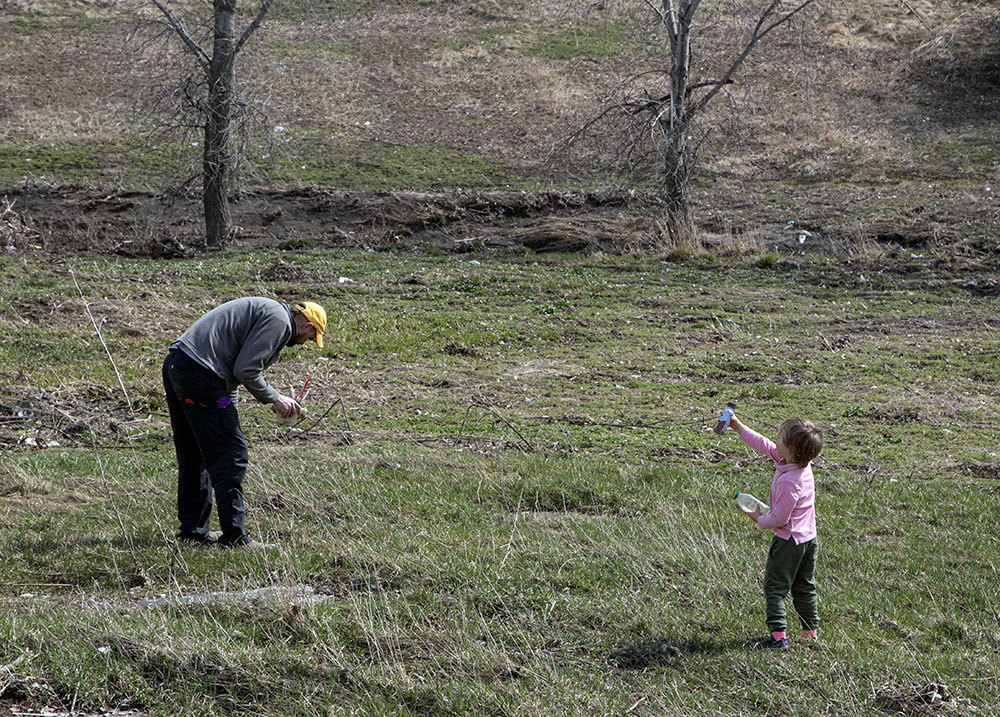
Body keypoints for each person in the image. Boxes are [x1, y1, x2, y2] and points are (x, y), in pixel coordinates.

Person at [162, 297, 327, 548]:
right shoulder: (280, 322)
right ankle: (235, 537)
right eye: (311, 337)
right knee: (232, 454)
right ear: (306, 326)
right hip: (200, 376)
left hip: (179, 364)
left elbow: (230, 375)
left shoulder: (269, 311)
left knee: (194, 453)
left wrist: (230, 415)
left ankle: (193, 533)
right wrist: (276, 399)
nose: (305, 343)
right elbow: (246, 370)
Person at [726, 409, 824, 649]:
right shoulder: (800, 465)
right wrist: (738, 427)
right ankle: (810, 632)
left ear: (790, 449)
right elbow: (765, 445)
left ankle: (778, 638)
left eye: (780, 436)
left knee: (775, 587)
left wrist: (760, 519)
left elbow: (780, 518)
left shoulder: (791, 482)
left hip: (788, 542)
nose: (775, 439)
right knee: (804, 586)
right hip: (808, 539)